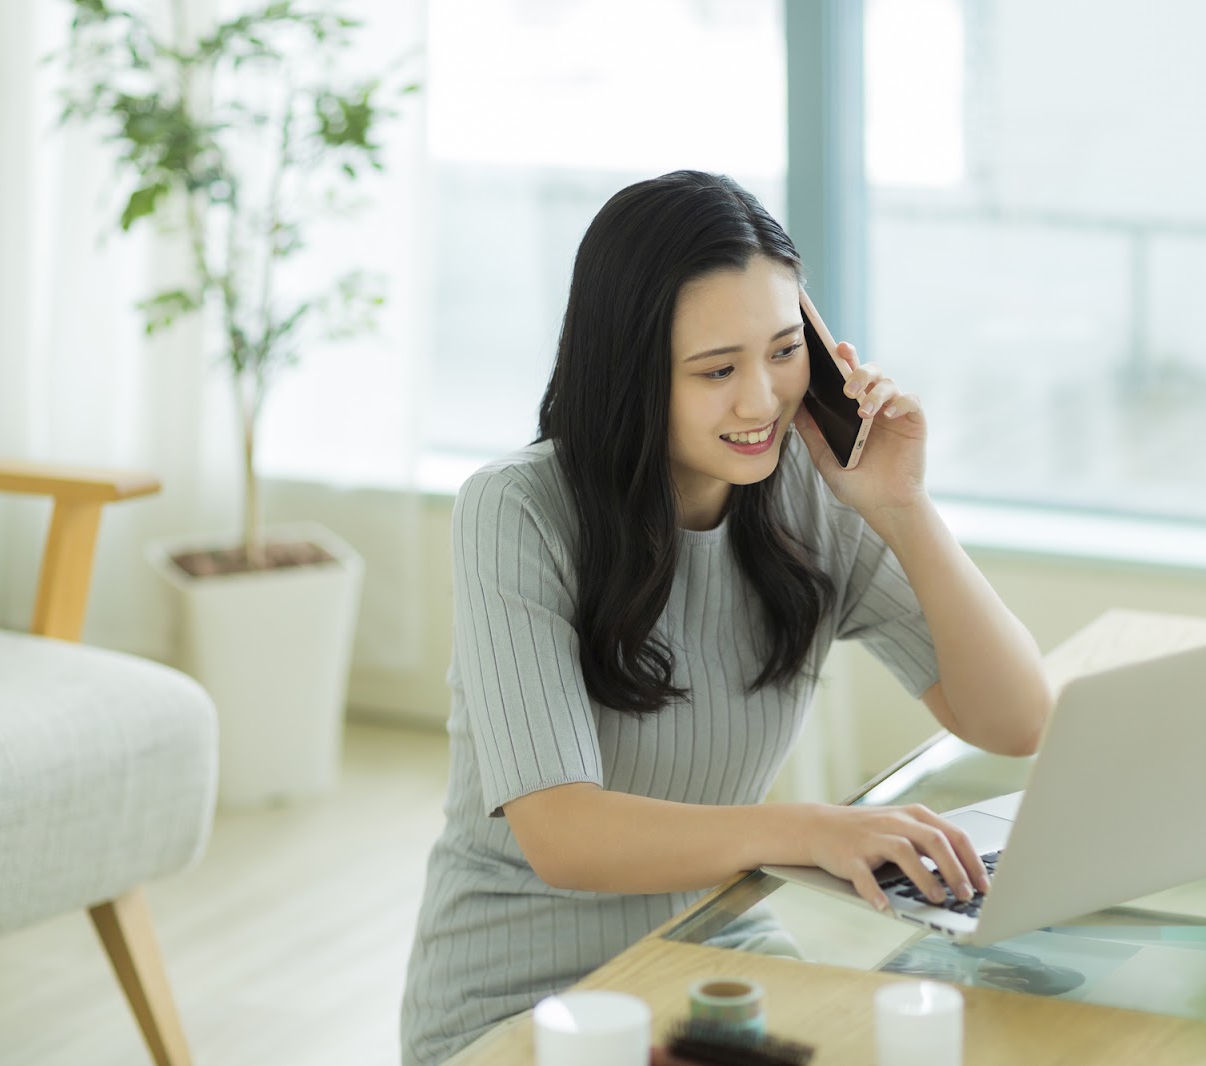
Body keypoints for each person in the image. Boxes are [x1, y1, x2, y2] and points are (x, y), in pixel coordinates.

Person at [400, 170, 1052, 1065]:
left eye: (785, 352)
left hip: (714, 968)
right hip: (529, 1001)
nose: (762, 401)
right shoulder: (518, 509)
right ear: (630, 373)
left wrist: (903, 506)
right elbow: (564, 833)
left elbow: (1015, 720)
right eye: (717, 370)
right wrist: (812, 829)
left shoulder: (809, 495)